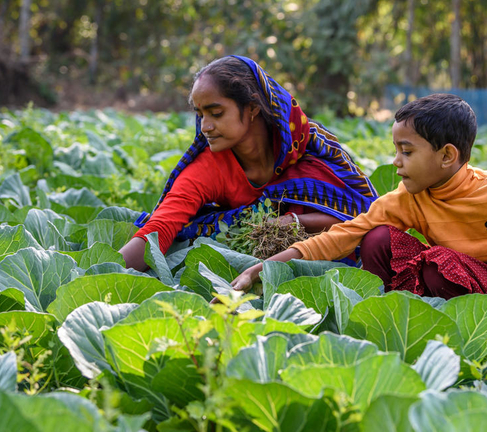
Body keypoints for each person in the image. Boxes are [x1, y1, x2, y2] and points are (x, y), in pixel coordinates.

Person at [230, 93, 487, 323]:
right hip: (456, 283)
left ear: (447, 155)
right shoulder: (409, 198)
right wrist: (262, 268)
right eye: (396, 151)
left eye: (407, 152)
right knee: (376, 239)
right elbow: (344, 235)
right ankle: (394, 317)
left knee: (438, 266)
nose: (397, 162)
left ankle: (474, 330)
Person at [120, 55, 379, 272]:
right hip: (244, 272)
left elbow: (364, 216)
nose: (205, 127)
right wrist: (107, 269)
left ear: (252, 107)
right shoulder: (209, 167)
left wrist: (292, 222)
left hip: (328, 263)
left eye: (216, 113)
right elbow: (160, 228)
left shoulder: (306, 147)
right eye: (200, 115)